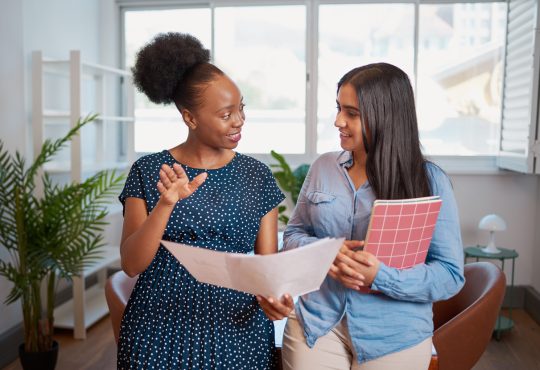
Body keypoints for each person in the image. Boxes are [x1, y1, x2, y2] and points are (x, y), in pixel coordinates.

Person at [118, 32, 293, 370]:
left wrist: (274, 297)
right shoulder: (149, 170)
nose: (239, 121)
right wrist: (165, 205)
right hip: (159, 327)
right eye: (226, 114)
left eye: (241, 109)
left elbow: (266, 270)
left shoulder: (257, 176)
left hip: (238, 328)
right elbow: (132, 264)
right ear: (190, 118)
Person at [281, 63, 465, 370]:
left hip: (395, 334)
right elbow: (293, 235)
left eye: (351, 113)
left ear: (386, 116)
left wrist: (380, 277)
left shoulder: (429, 182)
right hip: (318, 323)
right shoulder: (323, 168)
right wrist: (324, 251)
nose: (338, 121)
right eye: (339, 108)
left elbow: (449, 274)